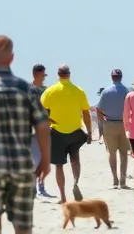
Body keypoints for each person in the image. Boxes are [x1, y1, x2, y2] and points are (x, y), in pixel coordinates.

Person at [0, 36, 50, 234]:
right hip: (21, 164)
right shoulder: (27, 90)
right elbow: (42, 126)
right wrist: (45, 161)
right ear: (12, 58)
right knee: (23, 224)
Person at [39, 65, 91, 203]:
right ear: (69, 74)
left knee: (59, 165)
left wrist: (49, 121)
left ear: (58, 75)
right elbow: (86, 113)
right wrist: (89, 131)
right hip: (75, 131)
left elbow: (41, 111)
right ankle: (75, 182)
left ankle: (63, 197)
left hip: (56, 132)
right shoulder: (79, 91)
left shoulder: (50, 91)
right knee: (75, 158)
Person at [94, 69, 130, 189]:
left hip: (109, 124)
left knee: (111, 152)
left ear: (112, 77)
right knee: (124, 153)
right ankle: (123, 181)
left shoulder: (106, 91)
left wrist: (103, 121)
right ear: (121, 77)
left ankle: (115, 179)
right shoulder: (127, 91)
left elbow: (98, 109)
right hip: (123, 124)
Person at [29, 65, 51, 199]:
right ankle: (34, 188)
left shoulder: (46, 91)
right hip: (30, 129)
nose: (43, 78)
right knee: (35, 160)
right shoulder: (26, 90)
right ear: (35, 74)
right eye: (42, 75)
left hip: (44, 128)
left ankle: (41, 187)